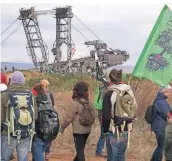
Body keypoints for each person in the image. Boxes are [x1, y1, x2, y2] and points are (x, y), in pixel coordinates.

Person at [102, 69, 137, 161]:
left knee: (112, 157)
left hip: (113, 129)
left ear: (110, 80)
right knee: (121, 155)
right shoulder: (129, 91)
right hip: (126, 128)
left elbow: (106, 116)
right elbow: (134, 108)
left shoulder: (109, 93)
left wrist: (105, 130)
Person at [1, 71, 37, 161]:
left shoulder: (5, 95)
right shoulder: (30, 95)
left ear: (11, 80)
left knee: (4, 159)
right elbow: (35, 116)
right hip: (25, 133)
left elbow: (1, 118)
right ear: (23, 80)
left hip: (8, 134)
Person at [60, 81, 95, 161]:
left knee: (80, 151)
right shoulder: (88, 102)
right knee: (80, 149)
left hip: (78, 131)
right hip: (88, 129)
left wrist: (62, 128)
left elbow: (68, 118)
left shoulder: (74, 103)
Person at [31, 79, 57, 161]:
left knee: (37, 153)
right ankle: (47, 153)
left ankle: (46, 153)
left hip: (38, 132)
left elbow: (34, 117)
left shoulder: (34, 99)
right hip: (49, 129)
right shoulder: (50, 96)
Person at [151, 85, 172, 161]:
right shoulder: (161, 102)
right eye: (169, 92)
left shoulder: (160, 100)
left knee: (160, 146)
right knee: (162, 147)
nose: (170, 94)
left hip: (159, 126)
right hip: (160, 127)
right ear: (164, 92)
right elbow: (168, 115)